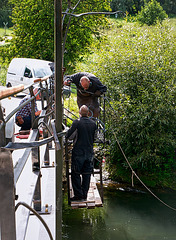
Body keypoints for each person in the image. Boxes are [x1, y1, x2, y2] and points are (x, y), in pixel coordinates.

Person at [65, 105, 97, 201]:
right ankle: (84, 195)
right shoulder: (93, 124)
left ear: (79, 113)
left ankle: (78, 195)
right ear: (88, 113)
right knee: (87, 174)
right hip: (89, 152)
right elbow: (94, 138)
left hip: (78, 152)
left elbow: (69, 136)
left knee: (75, 173)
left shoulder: (77, 123)